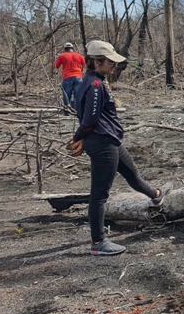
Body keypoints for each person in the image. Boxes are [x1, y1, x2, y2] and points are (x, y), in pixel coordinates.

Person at [68, 40, 171, 256]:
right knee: (99, 194)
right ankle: (98, 242)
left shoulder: (92, 81)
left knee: (131, 172)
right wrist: (79, 137)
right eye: (110, 62)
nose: (114, 66)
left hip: (109, 139)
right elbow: (89, 119)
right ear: (97, 62)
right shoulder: (94, 85)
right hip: (102, 142)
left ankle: (156, 194)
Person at [54, 42, 86, 115]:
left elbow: (55, 66)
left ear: (65, 49)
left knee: (66, 97)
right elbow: (85, 66)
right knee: (78, 96)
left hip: (67, 78)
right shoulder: (79, 56)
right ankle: (78, 113)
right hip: (78, 77)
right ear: (72, 48)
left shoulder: (62, 56)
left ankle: (66, 113)